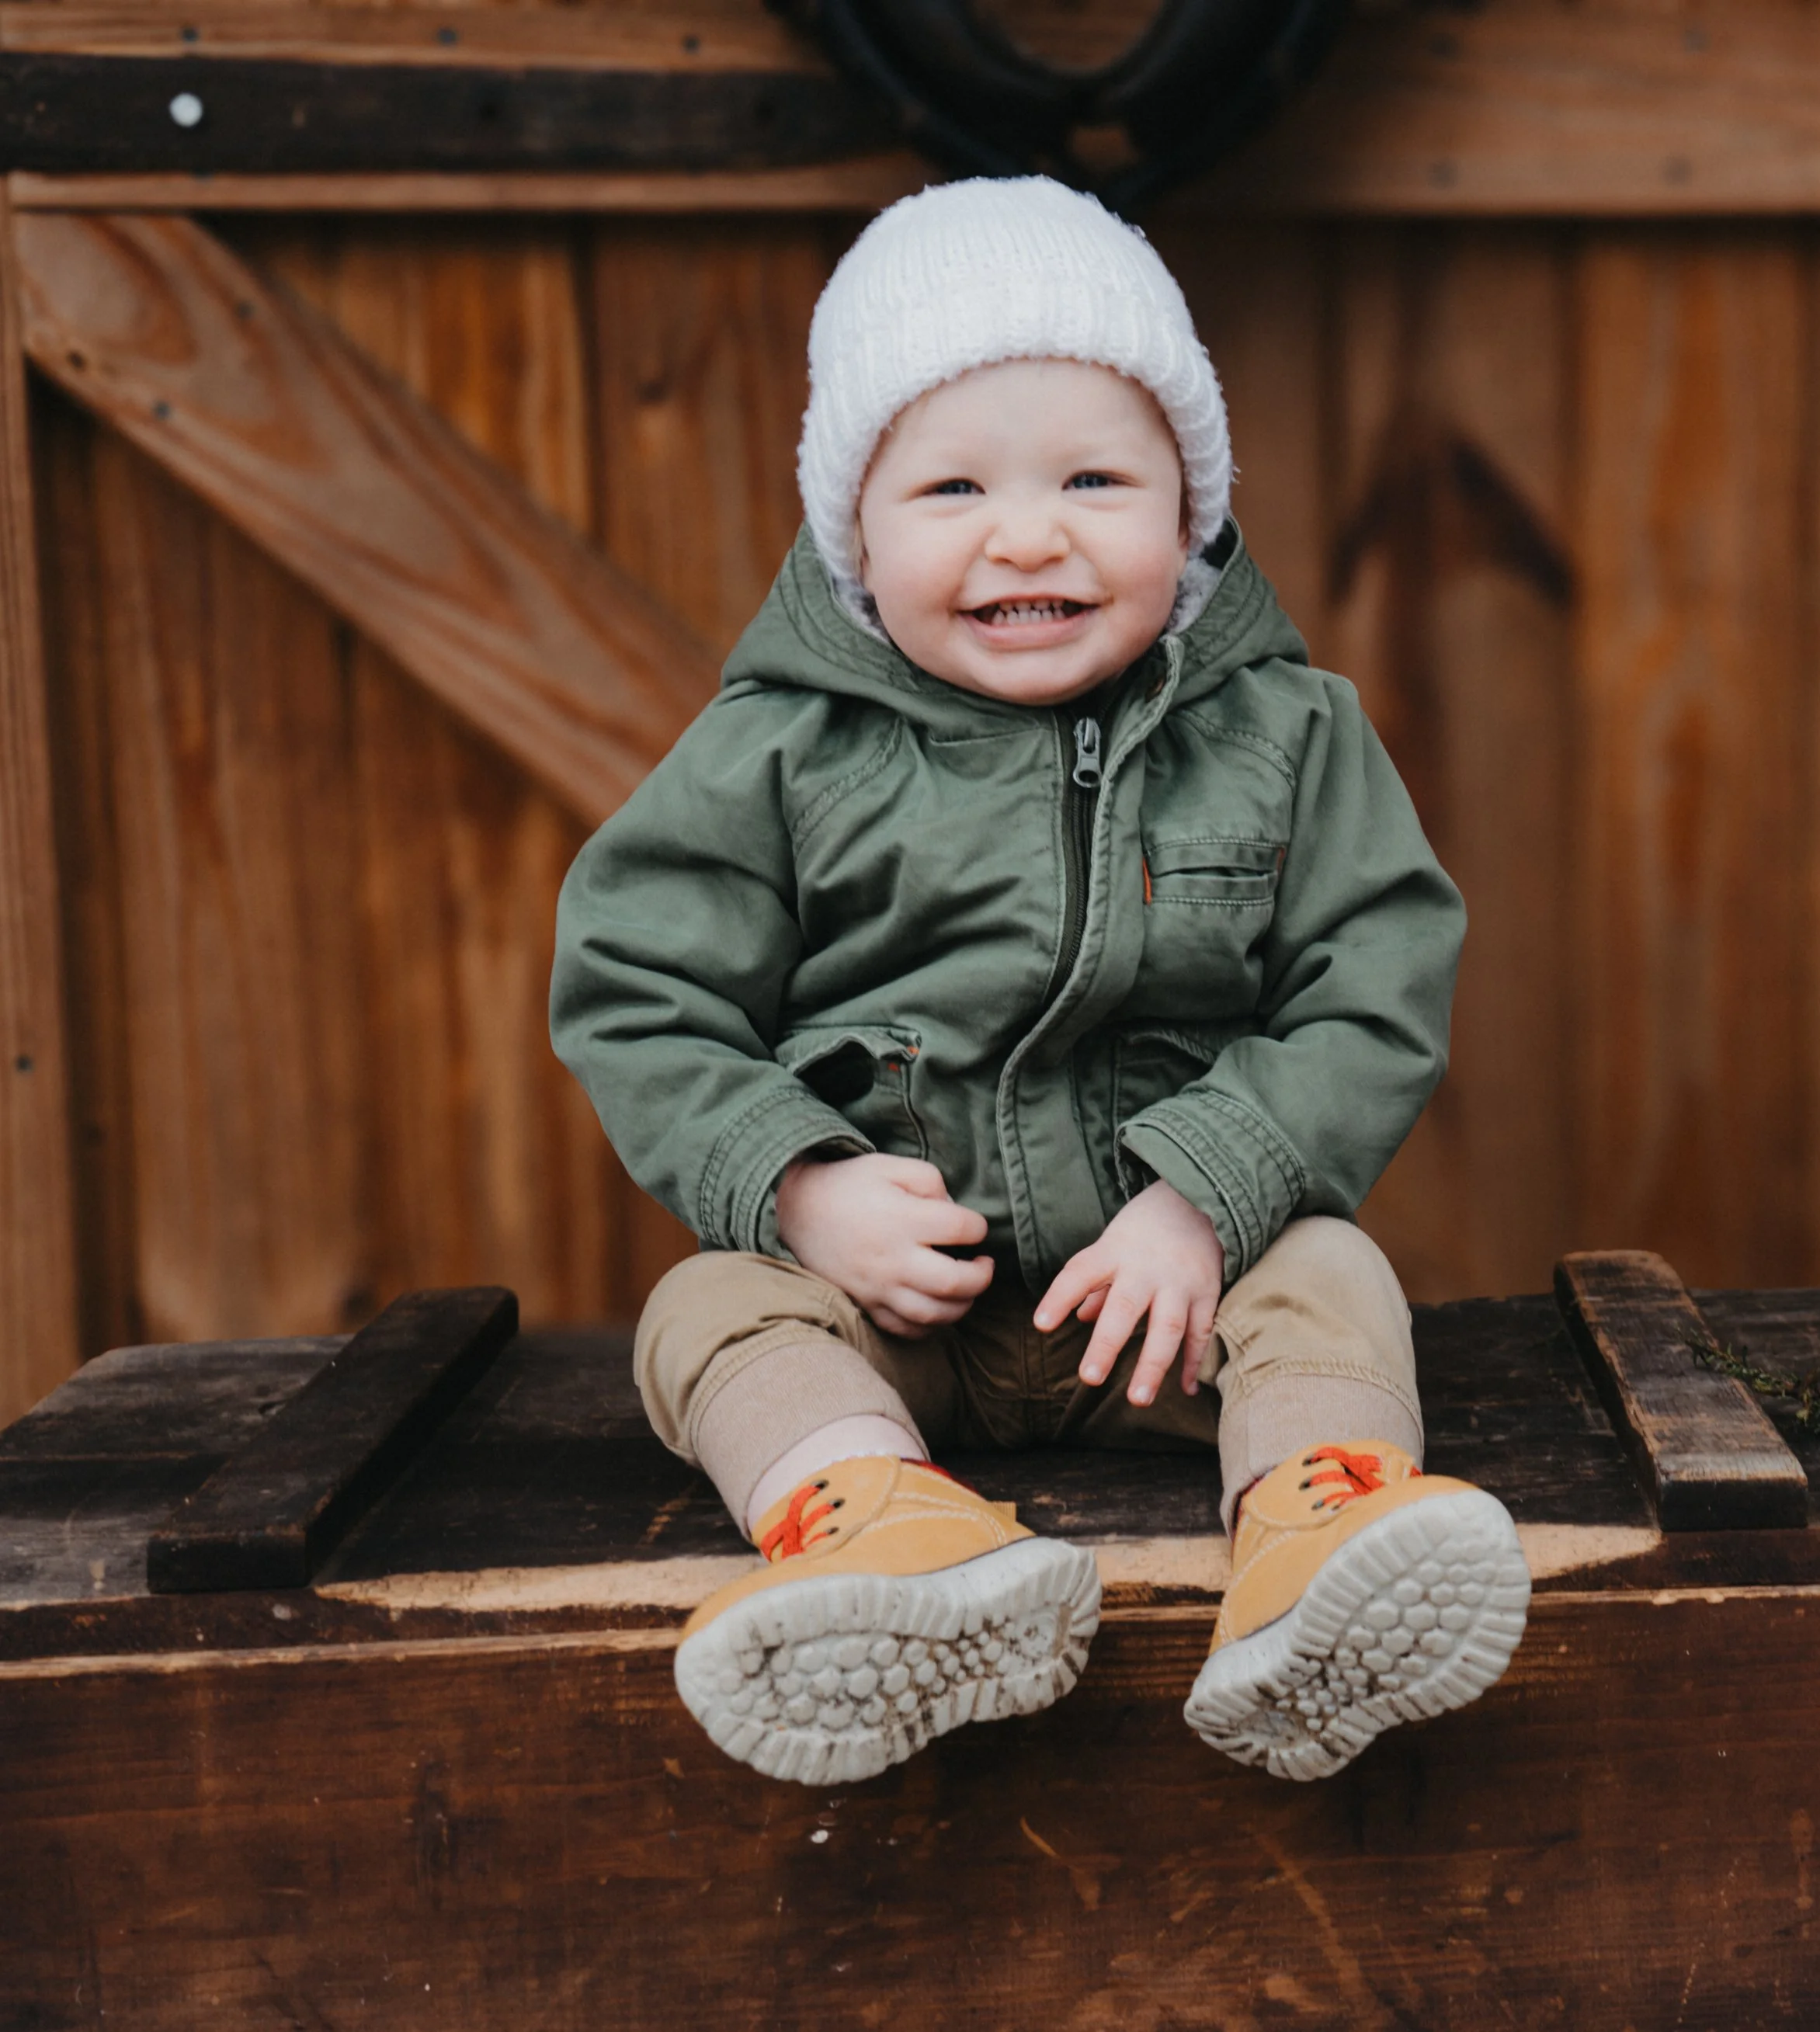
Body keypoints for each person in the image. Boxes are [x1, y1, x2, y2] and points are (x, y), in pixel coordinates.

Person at [551, 176, 1529, 1789]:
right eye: (948, 487)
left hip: (1163, 1313)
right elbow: (633, 989)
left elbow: (1373, 982)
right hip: (896, 1316)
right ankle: (870, 1525)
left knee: (1329, 1271)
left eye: (1094, 476)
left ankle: (1317, 1538)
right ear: (851, 530)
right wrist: (800, 1193)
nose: (1028, 533)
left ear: (1187, 505)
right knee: (704, 1310)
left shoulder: (1286, 738)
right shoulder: (776, 752)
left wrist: (1207, 1197)